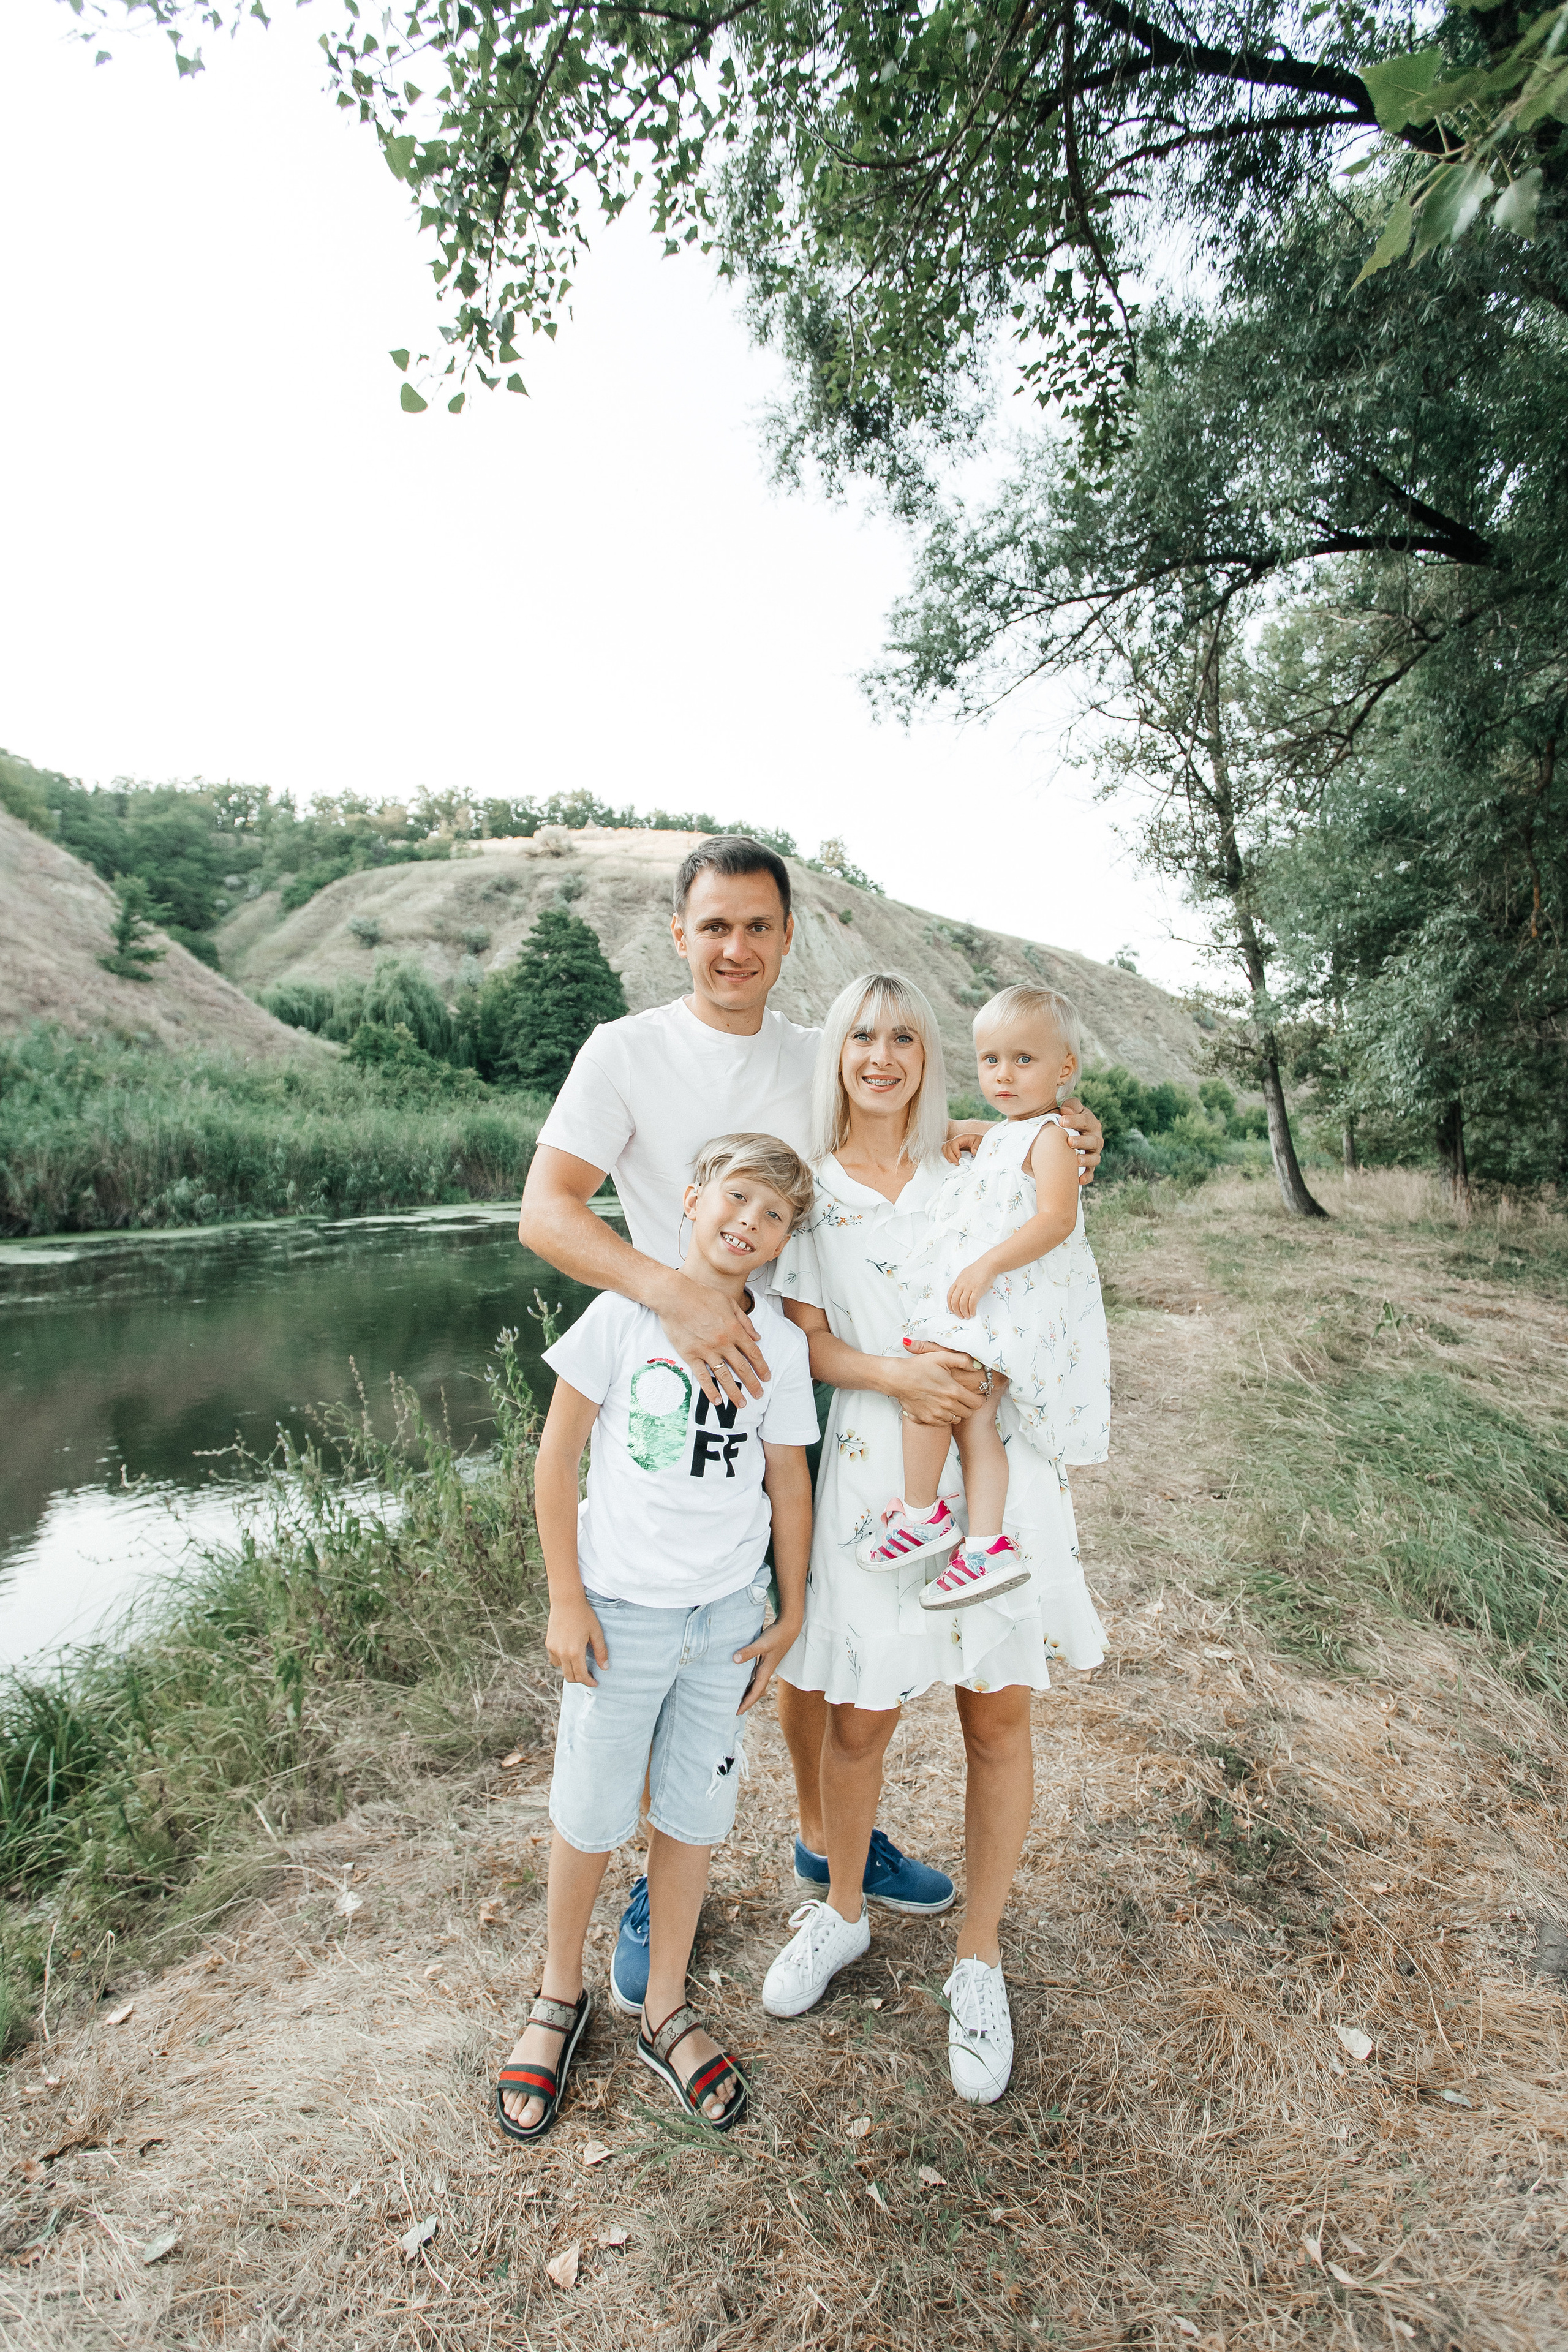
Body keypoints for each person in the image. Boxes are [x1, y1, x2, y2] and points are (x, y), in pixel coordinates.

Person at [517, 835, 1106, 2006]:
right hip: (690, 1365)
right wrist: (674, 1294)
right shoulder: (625, 1051)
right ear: (678, 934)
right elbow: (547, 1211)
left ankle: (833, 1848)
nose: (736, 947)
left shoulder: (813, 1050)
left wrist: (1048, 1132)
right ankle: (665, 1886)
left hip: (798, 1371)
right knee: (691, 1630)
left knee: (798, 1631)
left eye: (758, 927)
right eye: (714, 926)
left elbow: (933, 1123)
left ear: (788, 939)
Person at [760, 972, 1107, 2105]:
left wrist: (1074, 1134)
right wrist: (895, 1374)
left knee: (995, 1718)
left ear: (929, 1055)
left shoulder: (979, 1162)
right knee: (859, 1721)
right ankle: (843, 1910)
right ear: (837, 1053)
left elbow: (1048, 1217)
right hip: (878, 1463)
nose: (882, 1055)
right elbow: (806, 1343)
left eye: (904, 1037)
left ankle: (980, 1956)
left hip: (987, 1466)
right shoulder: (808, 1190)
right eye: (862, 1035)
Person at [497, 1133, 818, 2142]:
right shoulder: (620, 1318)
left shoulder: (782, 1346)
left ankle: (666, 2007)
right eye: (736, 1197)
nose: (749, 1222)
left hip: (725, 1620)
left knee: (691, 1812)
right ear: (691, 1200)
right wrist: (566, 1598)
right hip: (622, 1613)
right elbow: (556, 1460)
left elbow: (788, 1479)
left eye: (774, 1215)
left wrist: (790, 1606)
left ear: (786, 1239)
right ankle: (558, 1995)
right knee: (591, 1812)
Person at [867, 982, 1111, 1611]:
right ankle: (986, 1546)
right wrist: (971, 1139)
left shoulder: (1052, 1137)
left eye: (1023, 1060)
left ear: (1064, 1068)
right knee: (974, 1419)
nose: (1003, 1074)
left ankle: (922, 1514)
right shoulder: (1008, 1133)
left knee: (930, 1394)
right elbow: (974, 1141)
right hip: (991, 1304)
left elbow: (1056, 1219)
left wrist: (985, 1265)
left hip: (1005, 1303)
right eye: (990, 1060)